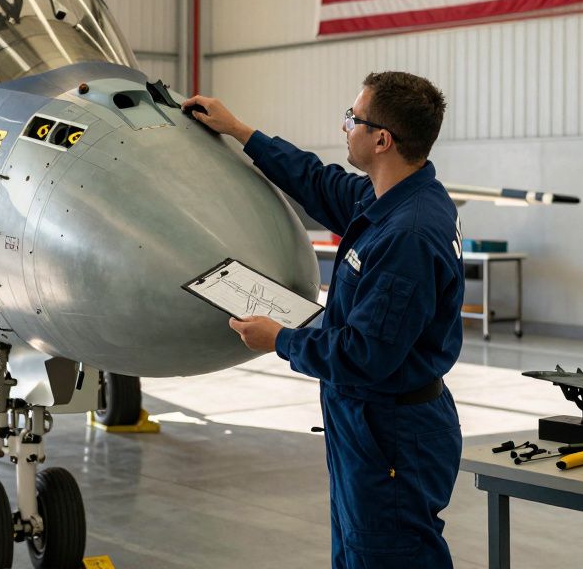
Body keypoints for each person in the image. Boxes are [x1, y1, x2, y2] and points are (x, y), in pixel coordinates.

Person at [183, 72, 464, 568]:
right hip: (368, 419)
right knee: (361, 550)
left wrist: (280, 340)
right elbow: (316, 181)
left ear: (382, 139)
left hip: (390, 431)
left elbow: (365, 354)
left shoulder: (408, 235)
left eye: (353, 118)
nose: (345, 127)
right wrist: (242, 132)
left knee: (386, 554)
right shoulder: (393, 197)